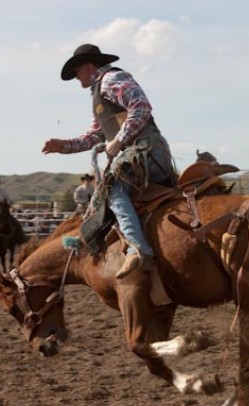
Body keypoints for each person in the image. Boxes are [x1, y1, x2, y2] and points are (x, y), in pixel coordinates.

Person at [42, 43, 177, 279]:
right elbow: (94, 136)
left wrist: (120, 140)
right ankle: (91, 239)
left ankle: (137, 248)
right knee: (104, 194)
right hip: (145, 154)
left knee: (111, 187)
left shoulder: (111, 79)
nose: (76, 78)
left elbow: (141, 107)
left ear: (87, 66)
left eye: (76, 72)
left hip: (145, 152)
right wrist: (63, 146)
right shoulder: (100, 93)